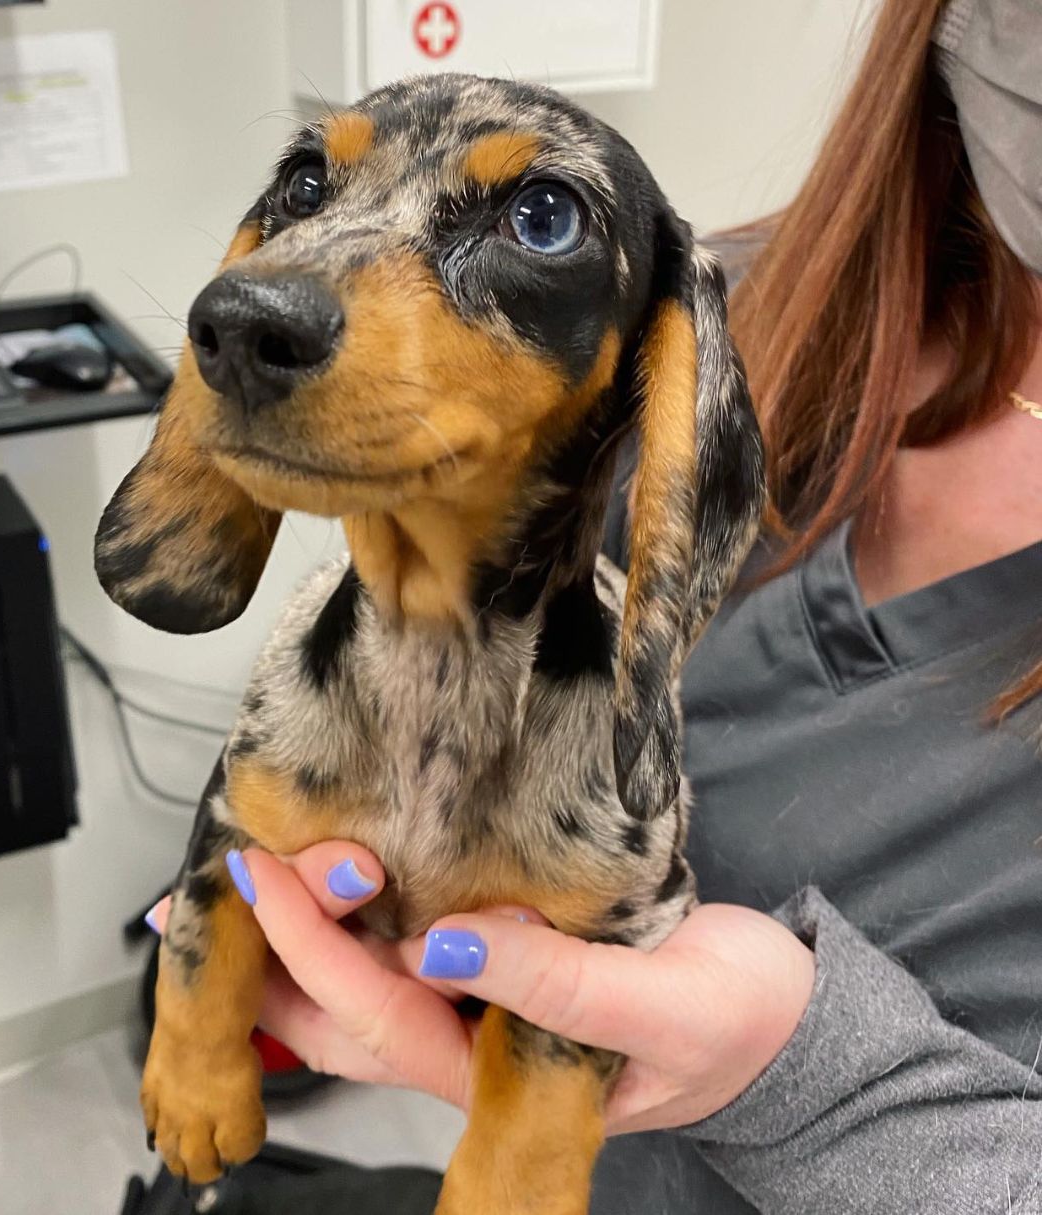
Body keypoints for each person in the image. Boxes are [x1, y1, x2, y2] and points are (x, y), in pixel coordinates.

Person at [149, 0, 1041, 1209]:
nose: (280, 296)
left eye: (538, 216)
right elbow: (234, 843)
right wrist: (206, 1021)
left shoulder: (675, 330)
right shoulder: (793, 287)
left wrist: (795, 1071)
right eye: (309, 192)